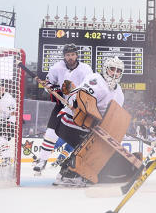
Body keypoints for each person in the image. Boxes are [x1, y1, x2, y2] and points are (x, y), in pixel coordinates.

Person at [41, 56, 126, 186]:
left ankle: (68, 172)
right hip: (70, 121)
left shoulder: (119, 93)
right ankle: (69, 173)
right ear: (105, 69)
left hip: (87, 127)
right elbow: (80, 99)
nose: (115, 73)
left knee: (100, 149)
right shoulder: (95, 79)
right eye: (112, 69)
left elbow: (112, 116)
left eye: (118, 70)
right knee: (91, 147)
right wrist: (76, 102)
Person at [33, 43, 92, 175]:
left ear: (76, 55)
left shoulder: (86, 69)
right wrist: (51, 88)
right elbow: (48, 83)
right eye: (67, 55)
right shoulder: (57, 67)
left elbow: (91, 89)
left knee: (81, 137)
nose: (70, 57)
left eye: (72, 54)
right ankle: (42, 160)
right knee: (50, 132)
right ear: (64, 56)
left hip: (79, 106)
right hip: (62, 103)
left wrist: (77, 97)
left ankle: (82, 165)